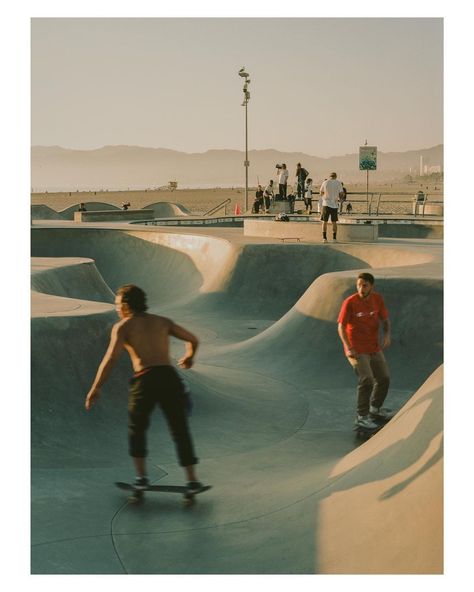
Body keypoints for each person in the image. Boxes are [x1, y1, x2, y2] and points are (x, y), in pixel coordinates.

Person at [85, 284, 203, 492]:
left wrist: (96, 387)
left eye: (117, 305)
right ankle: (192, 480)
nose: (116, 309)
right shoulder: (163, 322)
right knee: (179, 428)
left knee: (137, 429)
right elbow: (192, 339)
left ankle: (141, 478)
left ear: (126, 305)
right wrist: (189, 357)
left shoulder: (123, 327)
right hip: (169, 378)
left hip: (145, 379)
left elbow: (111, 359)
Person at [337, 273, 392, 429]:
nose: (361, 288)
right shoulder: (350, 302)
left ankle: (375, 408)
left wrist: (387, 334)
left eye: (365, 285)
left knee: (384, 377)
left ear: (371, 286)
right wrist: (348, 347)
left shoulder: (377, 299)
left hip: (373, 347)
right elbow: (341, 327)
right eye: (359, 285)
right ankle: (361, 416)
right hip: (356, 349)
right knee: (366, 379)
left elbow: (385, 319)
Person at [319, 172, 344, 242]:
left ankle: (324, 238)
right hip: (334, 204)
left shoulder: (325, 182)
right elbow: (341, 193)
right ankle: (334, 238)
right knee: (334, 222)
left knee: (324, 221)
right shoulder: (338, 183)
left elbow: (321, 192)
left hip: (326, 204)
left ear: (330, 176)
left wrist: (324, 197)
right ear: (336, 176)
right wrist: (339, 199)